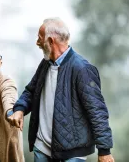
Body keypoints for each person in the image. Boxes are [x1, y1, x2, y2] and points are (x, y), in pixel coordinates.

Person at [7, 18, 114, 162]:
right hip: (42, 148)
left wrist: (104, 150)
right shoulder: (45, 63)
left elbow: (97, 112)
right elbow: (31, 91)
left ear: (50, 41)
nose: (37, 43)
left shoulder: (82, 69)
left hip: (72, 154)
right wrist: (19, 109)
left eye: (39, 38)